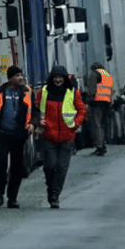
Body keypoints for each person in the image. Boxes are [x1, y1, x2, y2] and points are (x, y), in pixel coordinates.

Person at [0, 65, 33, 208]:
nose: (20, 78)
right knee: (1, 163)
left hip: (19, 135)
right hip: (2, 134)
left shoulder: (27, 92)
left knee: (16, 167)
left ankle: (12, 198)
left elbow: (34, 110)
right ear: (10, 78)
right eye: (17, 76)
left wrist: (33, 124)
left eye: (21, 75)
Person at [35, 65, 87, 208]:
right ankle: (51, 190)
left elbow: (82, 110)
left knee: (62, 168)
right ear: (51, 78)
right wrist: (38, 122)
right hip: (48, 136)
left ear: (65, 78)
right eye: (55, 77)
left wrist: (74, 125)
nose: (58, 80)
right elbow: (36, 109)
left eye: (60, 77)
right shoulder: (43, 92)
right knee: (50, 166)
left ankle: (55, 196)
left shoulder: (73, 92)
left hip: (67, 137)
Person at [87, 62, 114, 156]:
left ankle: (100, 146)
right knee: (103, 125)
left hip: (96, 102)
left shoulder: (95, 74)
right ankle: (104, 143)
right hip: (106, 103)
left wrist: (88, 100)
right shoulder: (107, 75)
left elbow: (92, 88)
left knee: (96, 125)